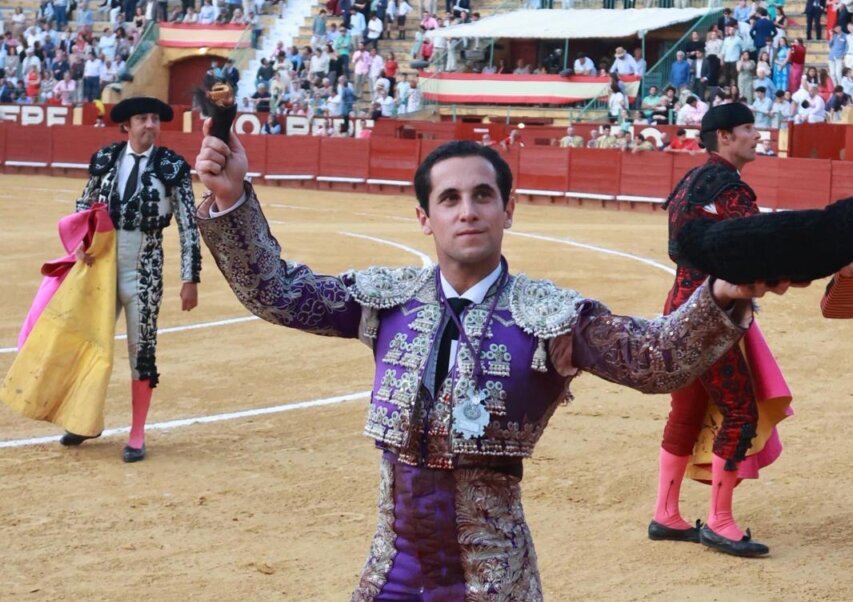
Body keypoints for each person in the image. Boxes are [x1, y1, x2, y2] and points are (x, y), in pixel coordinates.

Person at [192, 114, 793, 597]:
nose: (468, 210)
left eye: (483, 195)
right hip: (390, 575)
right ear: (425, 219)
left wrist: (722, 293)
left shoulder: (552, 316)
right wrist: (233, 196)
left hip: (495, 579)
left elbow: (656, 358)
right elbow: (278, 293)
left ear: (509, 210)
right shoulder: (386, 299)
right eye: (449, 199)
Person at [650, 103, 794, 558]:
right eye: (749, 128)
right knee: (739, 409)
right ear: (725, 137)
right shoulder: (730, 188)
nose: (757, 134)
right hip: (716, 311)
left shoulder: (692, 181)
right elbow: (758, 246)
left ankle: (666, 515)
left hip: (680, 305)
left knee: (689, 407)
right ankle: (720, 522)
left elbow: (678, 246)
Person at [67, 97, 201, 463]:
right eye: (142, 118)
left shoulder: (172, 166)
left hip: (146, 270)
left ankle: (137, 432)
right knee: (91, 345)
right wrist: (77, 245)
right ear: (127, 125)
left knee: (142, 351)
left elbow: (189, 224)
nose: (150, 125)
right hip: (102, 267)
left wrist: (190, 277)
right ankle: (82, 420)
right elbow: (84, 204)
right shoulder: (107, 159)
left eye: (155, 119)